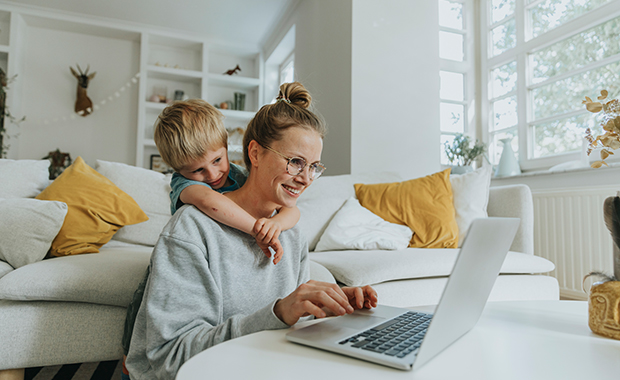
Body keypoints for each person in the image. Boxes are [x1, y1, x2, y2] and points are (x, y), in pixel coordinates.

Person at [124, 82, 378, 380]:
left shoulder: (291, 233)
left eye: (314, 167)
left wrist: (325, 306)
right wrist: (280, 312)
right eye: (296, 162)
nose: (306, 178)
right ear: (255, 153)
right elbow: (170, 357)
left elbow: (285, 324)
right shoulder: (192, 227)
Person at [120, 98, 300, 379]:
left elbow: (294, 212)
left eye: (217, 160)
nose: (213, 174)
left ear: (227, 147)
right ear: (178, 170)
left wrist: (275, 225)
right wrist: (256, 229)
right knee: (142, 312)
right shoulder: (186, 187)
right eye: (197, 170)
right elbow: (211, 203)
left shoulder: (240, 174)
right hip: (174, 263)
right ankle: (129, 356)